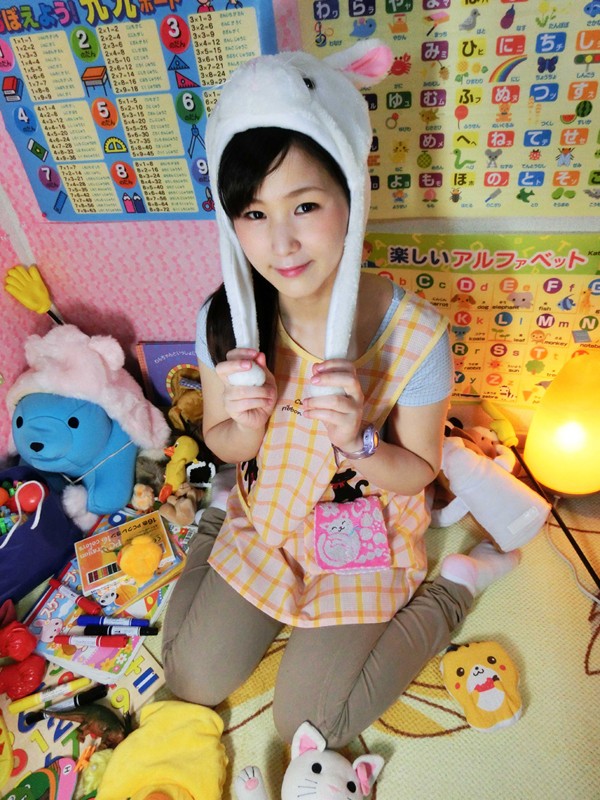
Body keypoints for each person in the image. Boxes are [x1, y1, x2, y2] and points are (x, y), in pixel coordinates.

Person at [162, 41, 520, 748]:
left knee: (311, 725)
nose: (282, 244)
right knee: (190, 677)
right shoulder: (227, 319)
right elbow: (225, 445)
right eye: (254, 214)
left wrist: (358, 439)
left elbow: (419, 471)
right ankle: (215, 522)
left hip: (363, 536)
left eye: (304, 205)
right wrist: (245, 426)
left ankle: (457, 585)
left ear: (350, 195)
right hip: (266, 517)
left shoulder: (415, 334)